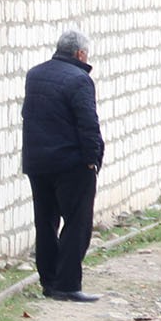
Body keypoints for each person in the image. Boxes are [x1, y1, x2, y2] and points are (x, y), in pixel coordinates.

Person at [22, 26, 104, 303]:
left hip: (37, 162)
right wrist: (93, 159)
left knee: (45, 223)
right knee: (77, 222)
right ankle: (67, 284)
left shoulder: (35, 74)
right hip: (72, 163)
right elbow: (88, 122)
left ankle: (49, 281)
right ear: (81, 53)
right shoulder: (80, 80)